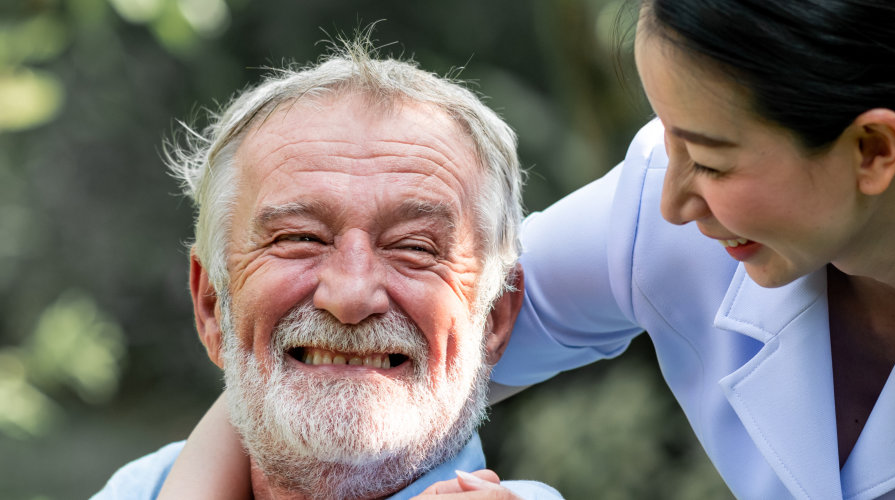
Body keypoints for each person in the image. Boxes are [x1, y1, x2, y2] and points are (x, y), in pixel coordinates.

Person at [170, 1, 895, 498]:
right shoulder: (668, 206)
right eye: (664, 140)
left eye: (708, 155)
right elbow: (350, 350)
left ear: (871, 149)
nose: (667, 200)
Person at [91, 37, 560, 499]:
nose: (351, 296)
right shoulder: (138, 488)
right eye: (300, 238)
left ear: (496, 317)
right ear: (212, 304)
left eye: (414, 248)